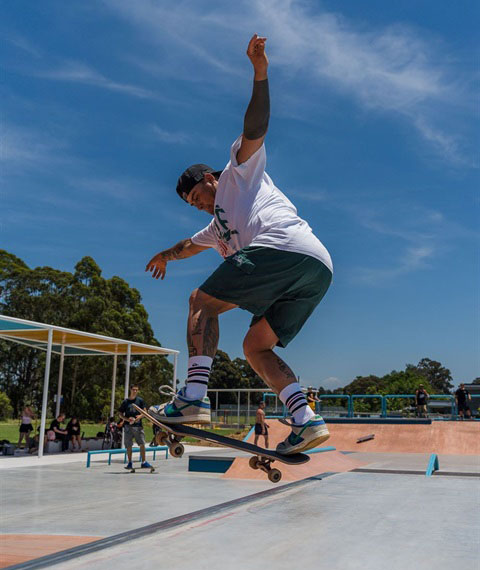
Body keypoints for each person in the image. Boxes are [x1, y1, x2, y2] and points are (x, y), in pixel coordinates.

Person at [146, 34, 332, 455]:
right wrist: (166, 256)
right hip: (315, 269)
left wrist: (260, 73)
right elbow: (189, 246)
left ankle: (193, 397)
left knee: (201, 300)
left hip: (282, 246)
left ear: (210, 179)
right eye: (194, 206)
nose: (201, 208)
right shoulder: (217, 229)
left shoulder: (236, 174)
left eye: (199, 198)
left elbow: (255, 129)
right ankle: (305, 419)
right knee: (255, 346)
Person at [119, 385, 153, 470]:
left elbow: (145, 412)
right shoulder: (125, 402)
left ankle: (144, 462)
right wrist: (127, 419)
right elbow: (120, 414)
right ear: (130, 390)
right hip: (128, 427)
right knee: (128, 445)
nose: (135, 391)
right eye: (133, 390)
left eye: (136, 390)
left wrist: (139, 417)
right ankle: (130, 462)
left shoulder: (140, 400)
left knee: (142, 444)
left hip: (138, 427)